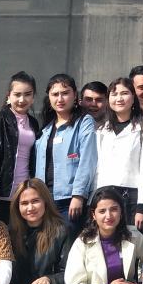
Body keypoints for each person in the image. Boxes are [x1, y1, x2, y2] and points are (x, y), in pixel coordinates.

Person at [94, 76, 143, 230]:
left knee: (130, 242)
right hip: (104, 196)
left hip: (131, 198)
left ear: (133, 97)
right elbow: (97, 168)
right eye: (114, 94)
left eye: (124, 93)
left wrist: (142, 206)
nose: (119, 98)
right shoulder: (102, 130)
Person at [34, 73, 95, 232]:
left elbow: (87, 161)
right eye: (55, 94)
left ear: (75, 95)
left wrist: (78, 195)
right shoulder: (46, 128)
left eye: (65, 93)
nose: (60, 99)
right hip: (45, 200)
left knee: (67, 242)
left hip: (69, 200)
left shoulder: (84, 122)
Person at [0, 71, 40, 217]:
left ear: (33, 97)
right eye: (17, 94)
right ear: (9, 96)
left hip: (26, 194)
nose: (22, 99)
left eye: (27, 94)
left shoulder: (33, 122)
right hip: (2, 196)